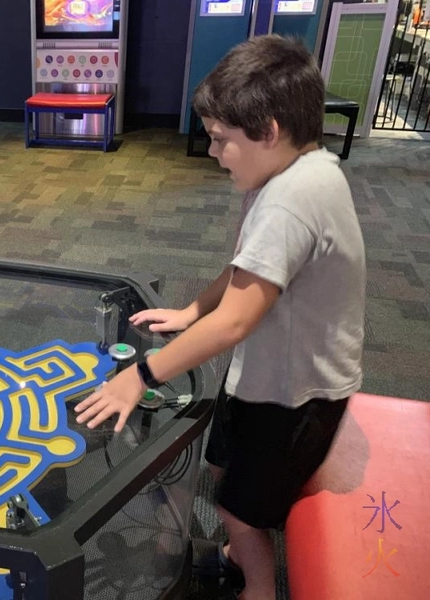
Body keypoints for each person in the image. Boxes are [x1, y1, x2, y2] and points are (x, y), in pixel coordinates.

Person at [74, 35, 366, 600]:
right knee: (224, 468)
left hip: (298, 394)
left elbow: (235, 322)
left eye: (220, 140)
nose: (212, 153)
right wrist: (191, 310)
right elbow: (245, 269)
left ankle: (257, 586)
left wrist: (140, 376)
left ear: (270, 131)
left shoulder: (289, 202)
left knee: (237, 509)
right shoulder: (292, 170)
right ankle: (244, 539)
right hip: (269, 373)